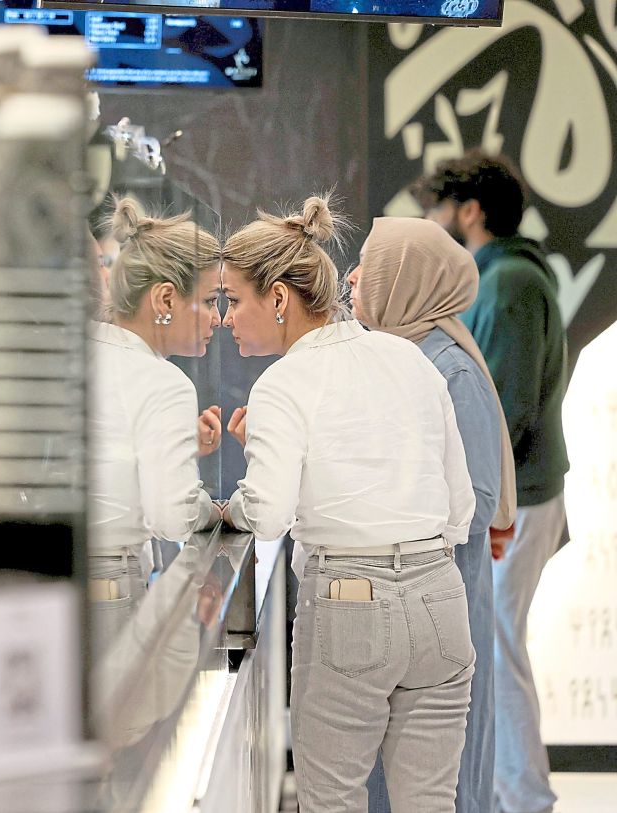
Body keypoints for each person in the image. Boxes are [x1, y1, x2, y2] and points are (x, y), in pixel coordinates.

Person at [219, 196, 476, 812]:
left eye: (233, 300)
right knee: (432, 803)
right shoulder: (407, 357)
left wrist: (229, 509)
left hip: (348, 604)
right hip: (442, 595)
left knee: (331, 800)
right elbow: (460, 508)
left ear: (278, 299)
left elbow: (270, 514)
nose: (225, 318)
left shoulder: (282, 383)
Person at [415, 152, 569, 813]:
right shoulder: (507, 278)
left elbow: (503, 411)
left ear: (469, 211)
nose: (430, 220)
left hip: (518, 501)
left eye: (437, 206)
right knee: (498, 647)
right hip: (520, 497)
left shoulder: (507, 285)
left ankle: (525, 798)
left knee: (499, 651)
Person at [349, 216, 517, 813]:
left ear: (404, 281)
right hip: (401, 612)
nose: (352, 278)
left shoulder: (452, 371)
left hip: (443, 613)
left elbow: (475, 503)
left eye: (368, 265)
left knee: (444, 782)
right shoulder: (398, 359)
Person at [88, 196, 223, 646]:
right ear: (165, 297)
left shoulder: (81, 353)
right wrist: (213, 509)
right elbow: (172, 517)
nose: (219, 318)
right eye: (207, 300)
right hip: (108, 590)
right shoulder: (164, 383)